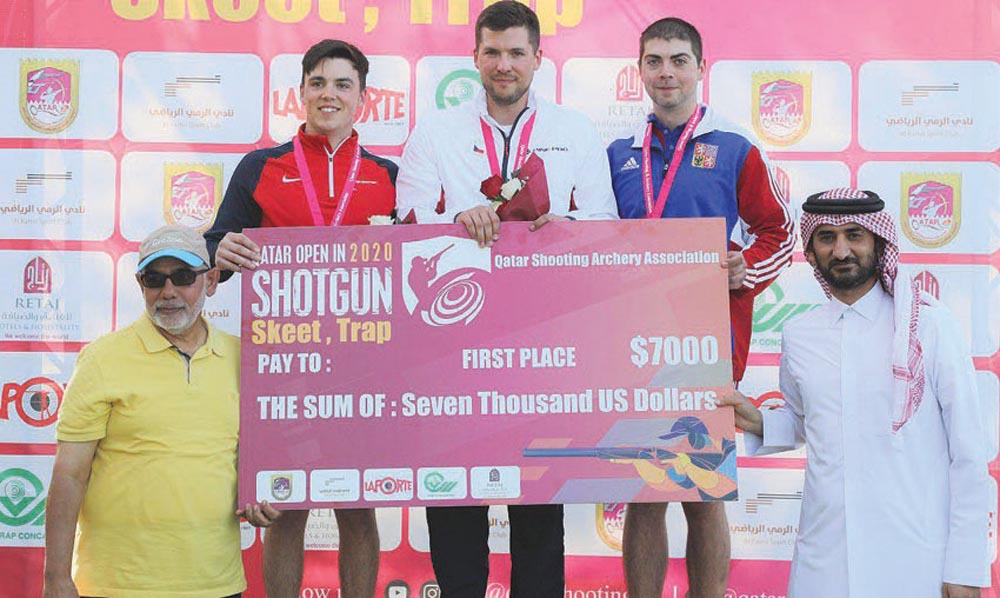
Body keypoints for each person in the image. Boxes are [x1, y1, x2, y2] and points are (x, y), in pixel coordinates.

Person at [396, 2, 616, 595]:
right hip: (451, 344)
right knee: (454, 506)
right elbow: (406, 221)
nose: (504, 64)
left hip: (542, 346)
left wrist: (566, 227)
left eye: (516, 52)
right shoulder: (436, 131)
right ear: (474, 57)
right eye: (492, 52)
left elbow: (604, 223)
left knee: (539, 508)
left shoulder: (574, 130)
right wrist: (455, 221)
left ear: (538, 58)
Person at [721, 188, 991, 598]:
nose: (841, 250)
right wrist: (758, 421)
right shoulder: (800, 334)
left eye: (854, 235)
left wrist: (966, 568)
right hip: (825, 557)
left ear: (878, 244)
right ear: (810, 252)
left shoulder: (929, 324)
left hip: (914, 557)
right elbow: (808, 422)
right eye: (826, 238)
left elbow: (968, 450)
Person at [606, 17, 794, 598]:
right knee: (644, 494)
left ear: (700, 68)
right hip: (631, 346)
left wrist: (745, 267)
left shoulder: (735, 145)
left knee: (702, 493)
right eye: (655, 61)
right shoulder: (617, 151)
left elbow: (780, 232)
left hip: (706, 345)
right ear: (640, 70)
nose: (666, 72)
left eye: (679, 60)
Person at [204, 39, 396, 598]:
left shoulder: (388, 174)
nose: (328, 94)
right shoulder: (261, 166)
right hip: (285, 364)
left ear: (363, 98)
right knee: (286, 505)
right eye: (318, 83)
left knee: (357, 508)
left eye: (342, 84)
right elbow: (218, 243)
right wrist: (220, 250)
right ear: (302, 92)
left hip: (365, 364)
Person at [43, 225, 249, 597]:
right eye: (154, 279)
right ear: (141, 285)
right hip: (116, 585)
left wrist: (265, 498)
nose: (168, 291)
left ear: (211, 280)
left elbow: (258, 461)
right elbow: (69, 475)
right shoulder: (101, 359)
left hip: (216, 582)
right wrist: (56, 578)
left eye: (183, 277)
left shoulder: (243, 359)